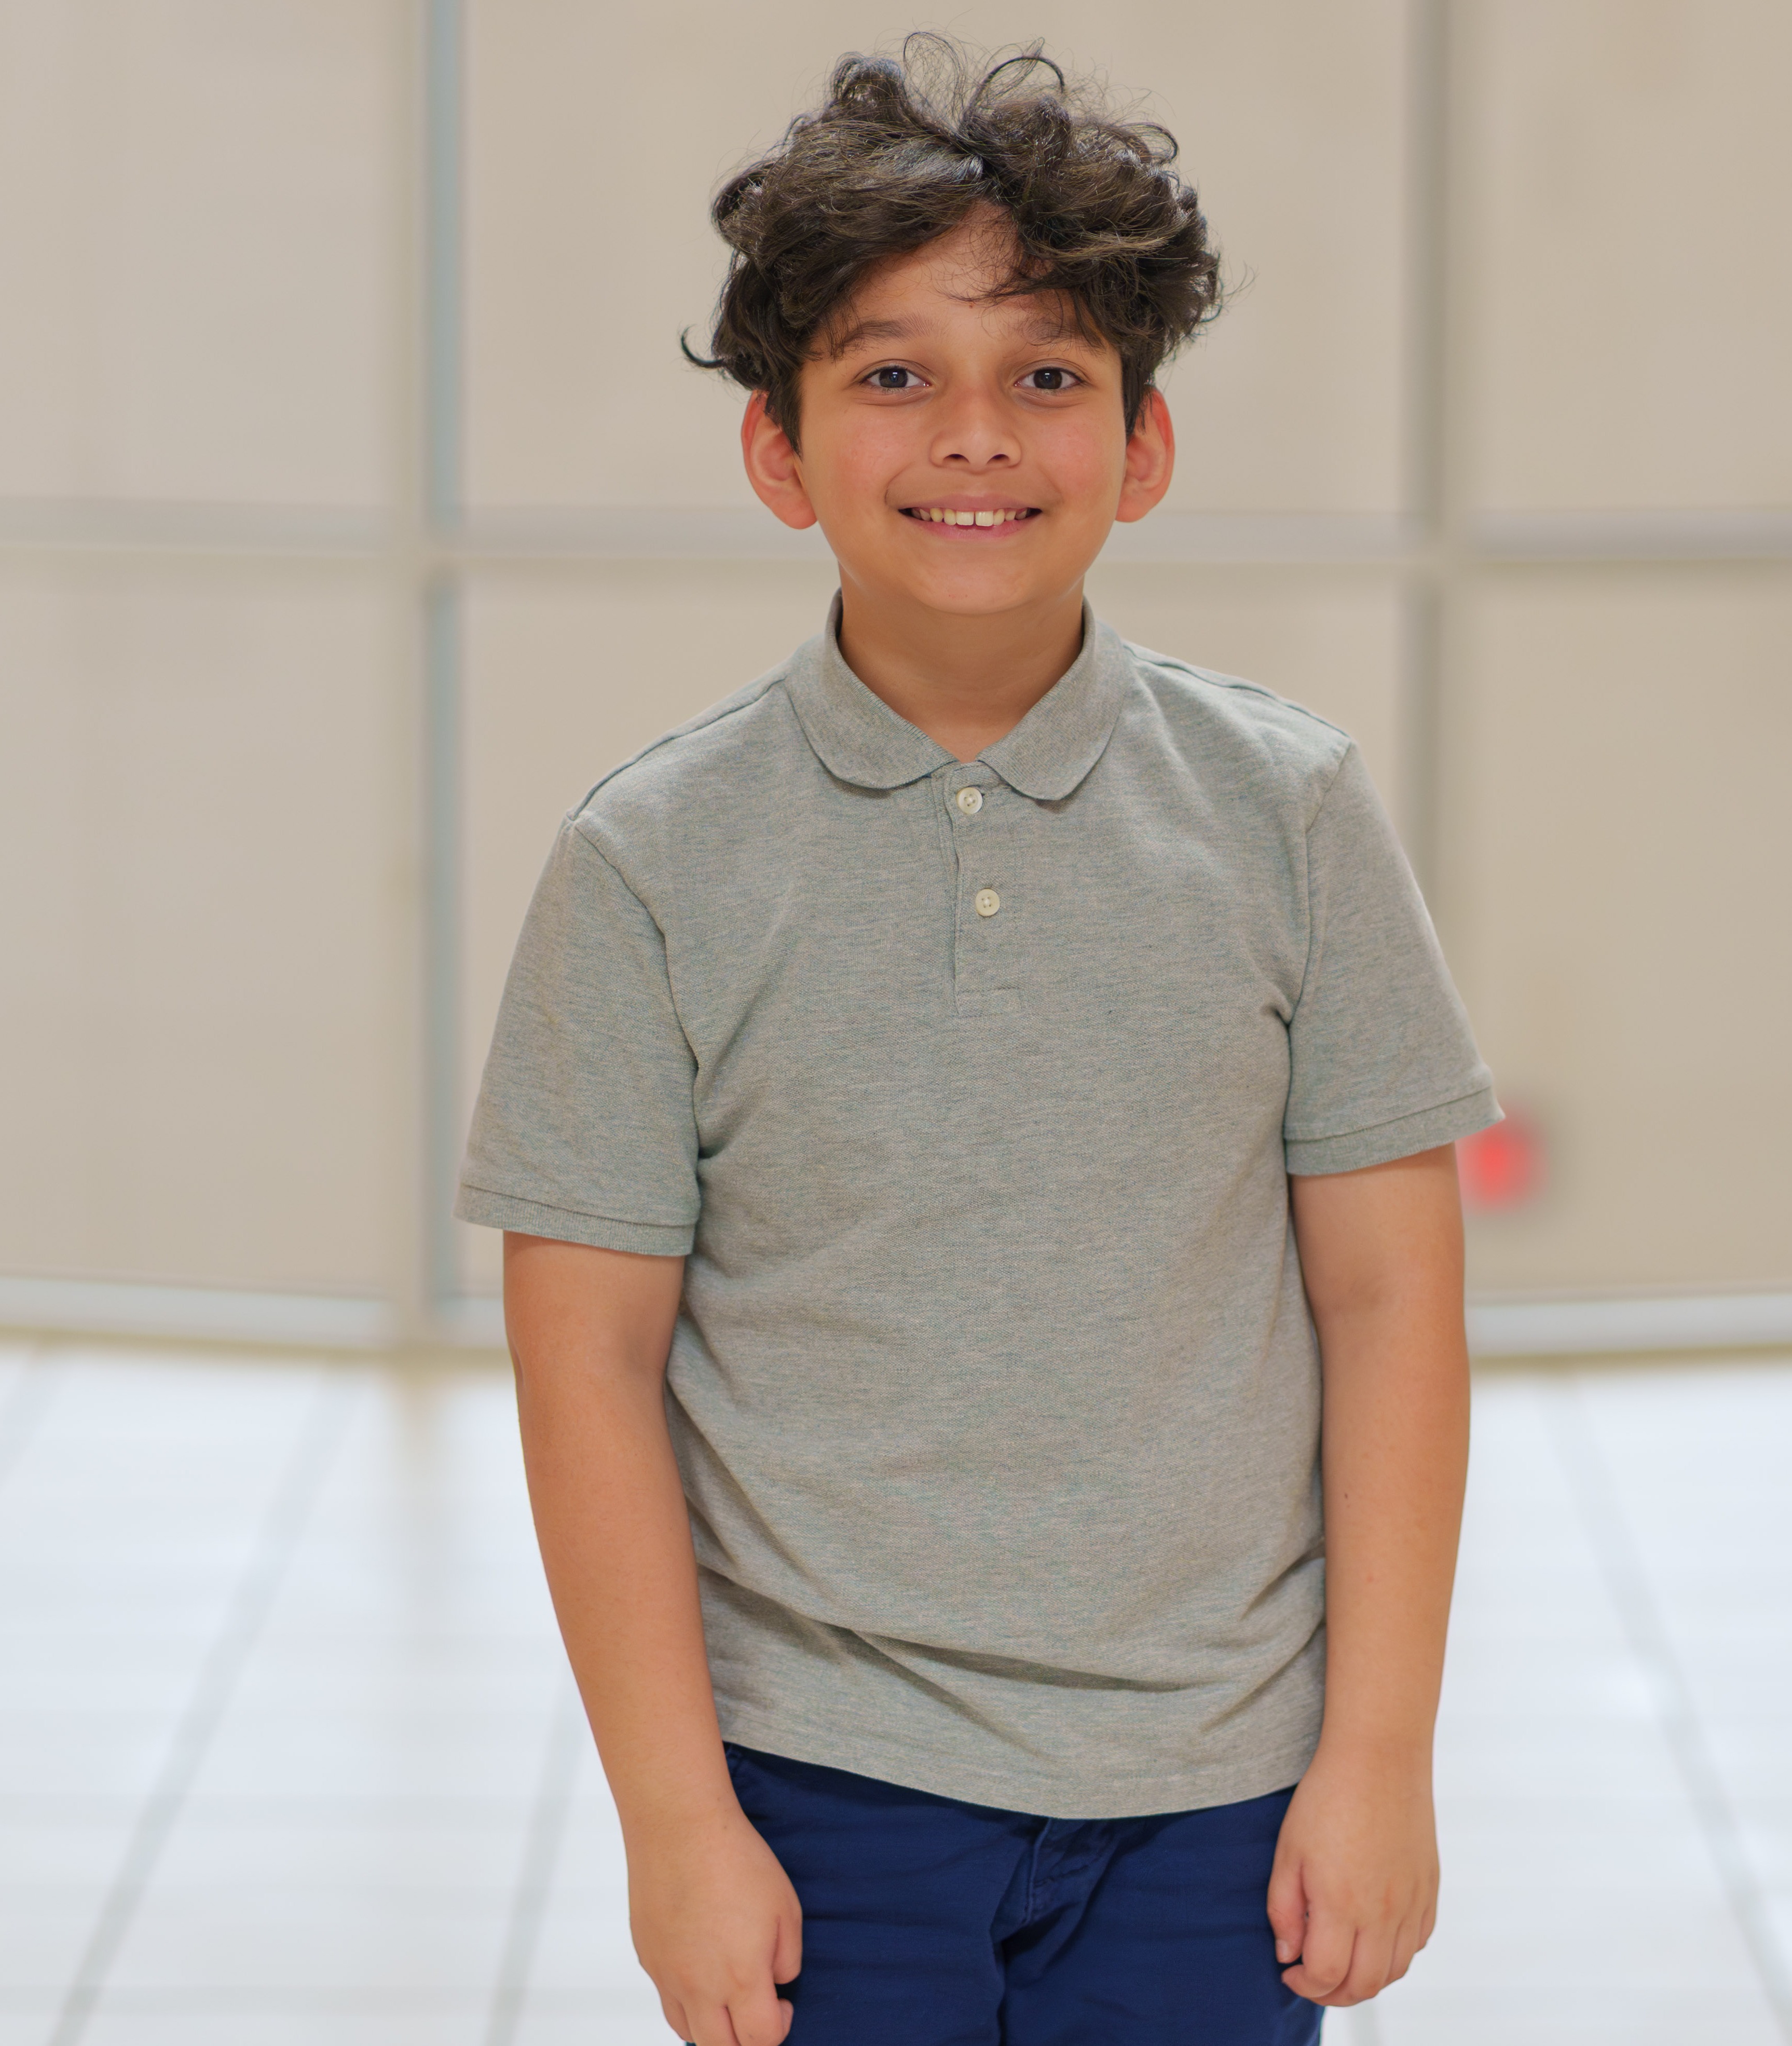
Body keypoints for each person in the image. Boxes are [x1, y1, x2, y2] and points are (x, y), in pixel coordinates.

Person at [458, 35, 1499, 2046]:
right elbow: (583, 1353)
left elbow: (1387, 1302)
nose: (974, 435)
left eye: (1045, 375)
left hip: (1216, 1782)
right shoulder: (648, 859)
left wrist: (1376, 1753)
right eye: (889, 373)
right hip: (820, 1780)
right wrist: (677, 1817)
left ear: (1143, 440)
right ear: (777, 451)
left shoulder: (1288, 812)